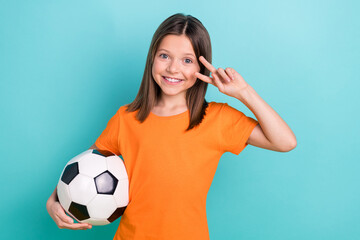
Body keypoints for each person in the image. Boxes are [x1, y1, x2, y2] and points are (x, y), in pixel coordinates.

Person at [46, 13, 297, 239]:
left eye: (187, 60)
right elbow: (83, 169)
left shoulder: (217, 118)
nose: (173, 68)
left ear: (201, 66)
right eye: (164, 56)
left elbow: (285, 142)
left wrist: (244, 93)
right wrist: (53, 201)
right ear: (152, 58)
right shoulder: (126, 118)